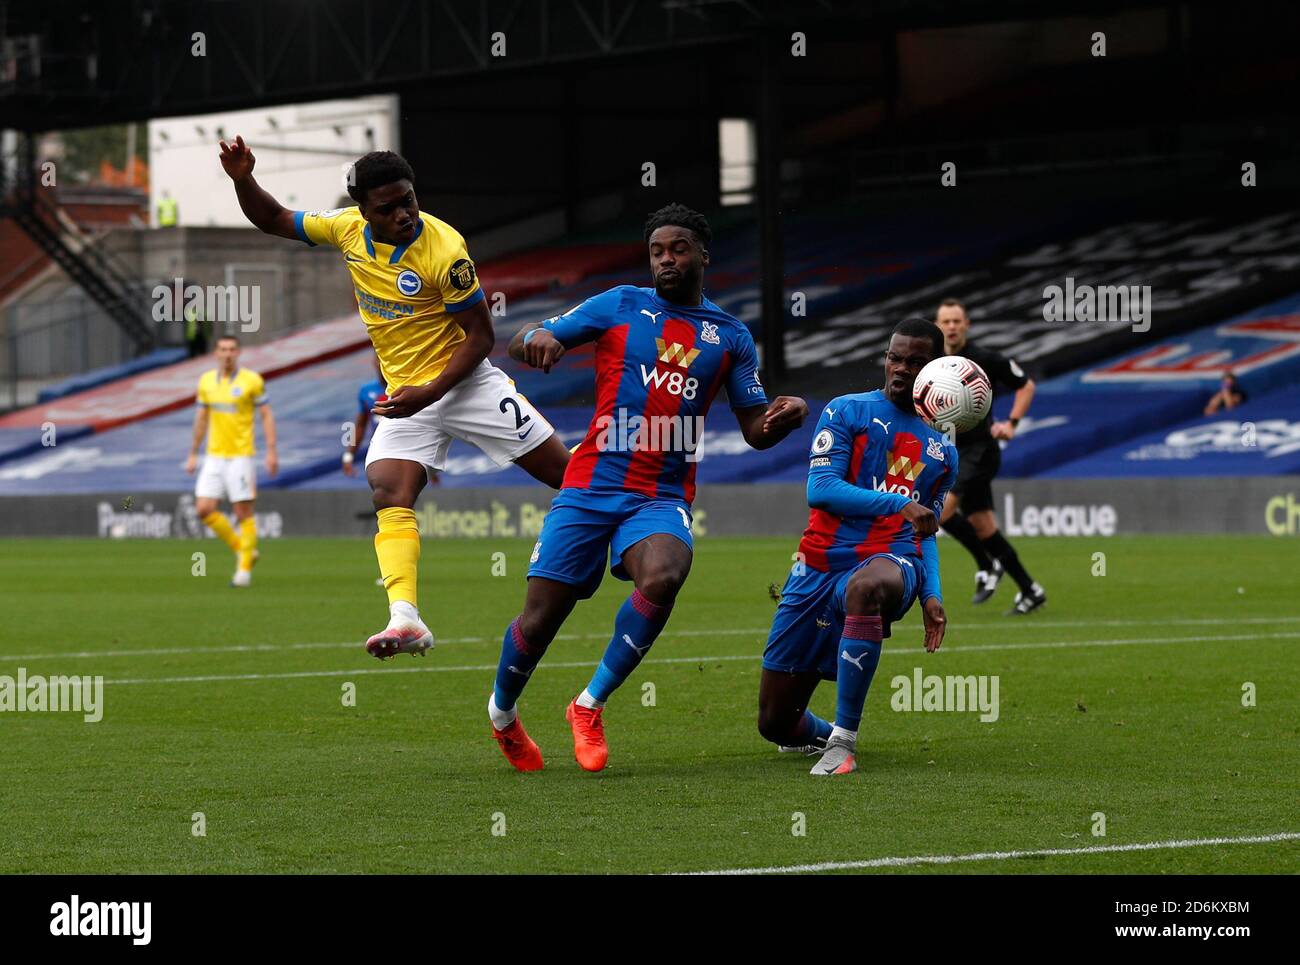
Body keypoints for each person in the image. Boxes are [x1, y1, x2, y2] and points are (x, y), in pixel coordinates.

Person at [486, 202, 809, 772]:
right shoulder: (619, 303)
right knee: (540, 620)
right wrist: (536, 339)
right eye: (658, 250)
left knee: (663, 575)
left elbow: (755, 430)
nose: (666, 259)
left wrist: (785, 416)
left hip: (660, 494)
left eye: (678, 249)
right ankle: (503, 715)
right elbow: (528, 338)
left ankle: (587, 705)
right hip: (590, 483)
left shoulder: (730, 337)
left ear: (703, 255)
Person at [219, 136, 570, 655]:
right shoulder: (345, 231)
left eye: (409, 199)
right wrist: (243, 178)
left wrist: (429, 391)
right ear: (363, 211)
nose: (404, 213)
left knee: (567, 476)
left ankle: (637, 516)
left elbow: (481, 337)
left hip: (464, 383)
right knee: (388, 490)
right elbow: (274, 219)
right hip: (409, 396)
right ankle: (405, 618)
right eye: (388, 208)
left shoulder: (445, 249)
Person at [758, 318, 955, 775]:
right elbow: (821, 489)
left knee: (866, 587)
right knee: (776, 723)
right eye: (895, 357)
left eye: (915, 361)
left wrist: (932, 595)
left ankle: (843, 742)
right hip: (818, 566)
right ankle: (823, 732)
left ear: (935, 369)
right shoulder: (846, 411)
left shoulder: (944, 450)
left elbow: (925, 533)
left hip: (891, 563)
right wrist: (900, 503)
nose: (902, 368)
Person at [934, 298, 1046, 615]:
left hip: (980, 451)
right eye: (946, 321)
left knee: (940, 513)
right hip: (951, 452)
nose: (952, 327)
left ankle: (986, 564)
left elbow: (1026, 386)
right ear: (937, 325)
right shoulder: (932, 364)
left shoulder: (985, 359)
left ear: (967, 324)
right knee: (984, 529)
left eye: (957, 321)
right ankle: (1030, 590)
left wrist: (1011, 423)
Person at [185, 334, 278, 587]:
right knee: (203, 509)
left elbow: (267, 415)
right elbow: (201, 419)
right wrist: (193, 452)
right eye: (223, 349)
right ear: (216, 353)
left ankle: (243, 571)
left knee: (242, 511)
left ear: (238, 353)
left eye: (232, 349)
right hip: (214, 455)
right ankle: (245, 549)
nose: (227, 354)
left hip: (241, 455)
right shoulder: (206, 382)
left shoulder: (252, 381)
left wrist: (271, 450)